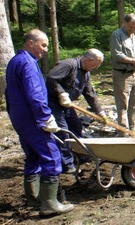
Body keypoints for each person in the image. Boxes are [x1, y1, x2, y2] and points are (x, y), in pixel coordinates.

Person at [5, 29, 74, 215]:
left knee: (33, 156)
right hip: (33, 118)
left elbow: (9, 93)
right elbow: (34, 94)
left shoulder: (14, 61)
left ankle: (33, 197)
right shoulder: (27, 63)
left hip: (20, 117)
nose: (45, 50)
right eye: (43, 45)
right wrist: (45, 117)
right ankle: (50, 203)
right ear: (31, 43)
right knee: (51, 155)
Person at [46, 49, 107, 174]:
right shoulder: (68, 65)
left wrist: (99, 111)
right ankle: (66, 164)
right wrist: (61, 93)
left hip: (67, 105)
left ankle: (80, 155)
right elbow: (51, 78)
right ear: (90, 60)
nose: (97, 67)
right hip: (53, 103)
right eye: (97, 64)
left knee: (76, 127)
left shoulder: (86, 73)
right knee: (63, 132)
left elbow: (89, 93)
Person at [110, 13, 135, 130]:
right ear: (125, 23)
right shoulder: (116, 35)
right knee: (123, 104)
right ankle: (123, 131)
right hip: (121, 74)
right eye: (130, 26)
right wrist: (133, 60)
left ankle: (133, 128)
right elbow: (117, 55)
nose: (132, 29)